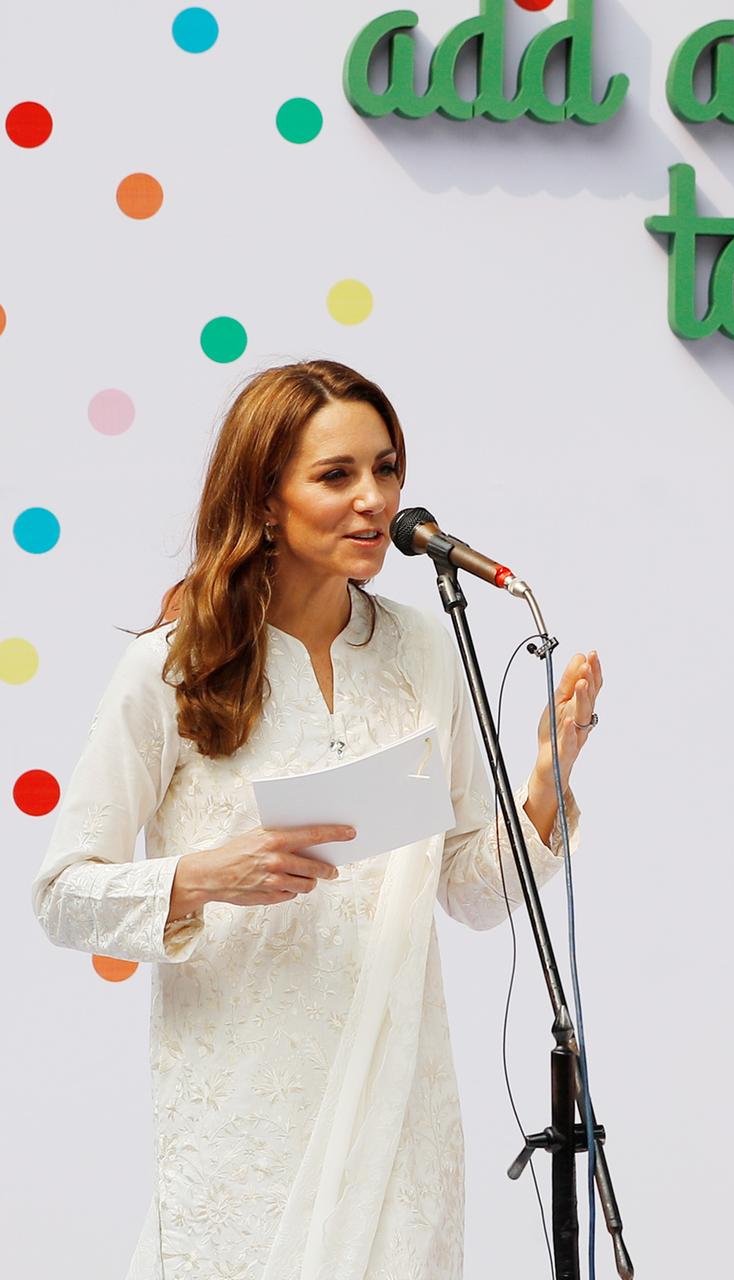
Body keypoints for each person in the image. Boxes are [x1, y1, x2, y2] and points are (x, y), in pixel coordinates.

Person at [30, 360, 606, 1279]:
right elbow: (61, 895)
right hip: (244, 1122)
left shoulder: (423, 647)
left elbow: (469, 889)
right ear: (264, 497)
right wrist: (203, 877)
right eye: (336, 476)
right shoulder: (174, 666)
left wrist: (546, 778)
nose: (374, 500)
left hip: (400, 1112)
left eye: (386, 469)